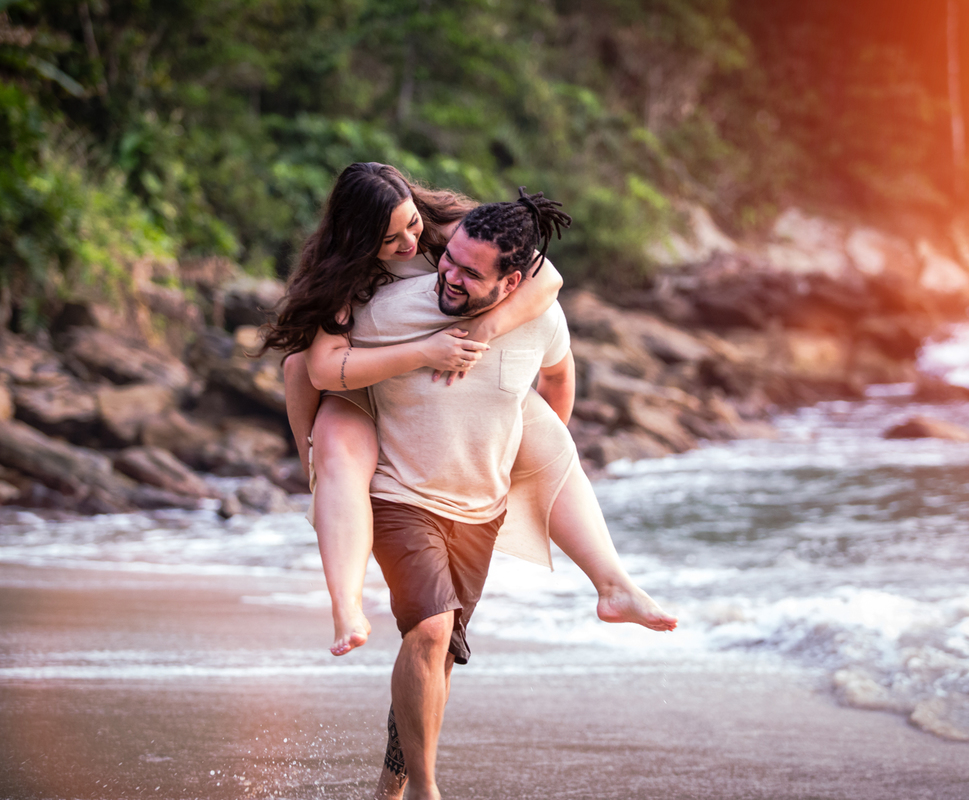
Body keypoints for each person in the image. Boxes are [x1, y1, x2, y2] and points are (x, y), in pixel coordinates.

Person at [262, 164, 675, 663]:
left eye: (410, 224)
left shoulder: (447, 228)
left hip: (449, 375)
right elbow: (315, 370)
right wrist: (424, 353)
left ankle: (614, 586)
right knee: (333, 442)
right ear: (356, 238)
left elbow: (549, 277)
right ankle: (346, 605)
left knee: (542, 432)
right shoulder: (339, 273)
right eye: (389, 239)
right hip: (361, 378)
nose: (410, 243)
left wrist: (489, 329)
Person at [347, 193, 617, 799]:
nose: (449, 274)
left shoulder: (539, 318)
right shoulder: (394, 308)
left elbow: (557, 373)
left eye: (471, 273)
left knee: (439, 654)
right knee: (431, 630)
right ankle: (426, 789)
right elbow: (321, 358)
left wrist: (538, 449)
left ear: (512, 281)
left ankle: (391, 787)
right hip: (400, 494)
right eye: (451, 260)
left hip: (480, 510)